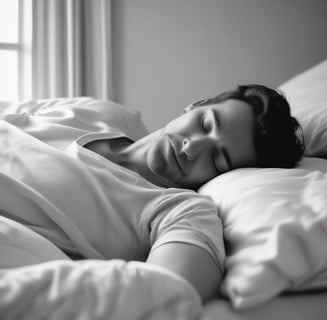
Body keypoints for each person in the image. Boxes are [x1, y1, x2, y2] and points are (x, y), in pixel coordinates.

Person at [0, 84, 304, 303]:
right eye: (205, 124)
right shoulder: (84, 116)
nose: (192, 147)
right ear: (195, 105)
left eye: (217, 158)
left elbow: (168, 291)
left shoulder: (181, 211)